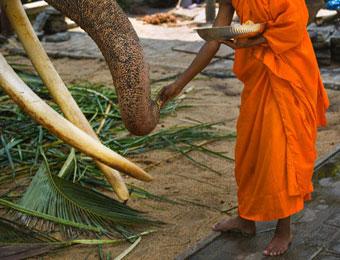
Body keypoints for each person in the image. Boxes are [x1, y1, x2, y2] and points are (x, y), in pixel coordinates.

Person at [157, 0, 329, 256]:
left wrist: (254, 42)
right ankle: (246, 219)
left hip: (289, 71)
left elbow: (295, 25)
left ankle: (284, 230)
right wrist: (180, 83)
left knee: (279, 151)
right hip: (259, 75)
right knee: (249, 151)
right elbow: (214, 39)